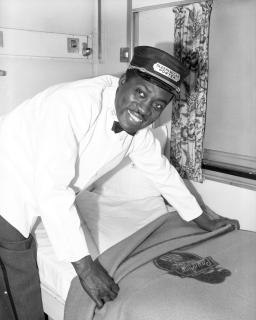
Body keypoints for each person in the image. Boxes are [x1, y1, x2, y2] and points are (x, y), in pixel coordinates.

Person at [0, 46, 239, 319]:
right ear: (123, 81)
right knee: (18, 281)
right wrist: (86, 269)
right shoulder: (72, 104)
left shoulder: (137, 128)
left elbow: (163, 174)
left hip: (37, 184)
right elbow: (53, 191)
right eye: (141, 93)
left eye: (157, 105)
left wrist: (205, 220)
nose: (145, 109)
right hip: (7, 181)